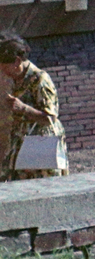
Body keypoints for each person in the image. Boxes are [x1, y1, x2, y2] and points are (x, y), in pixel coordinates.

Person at [0, 34, 65, 180]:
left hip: (42, 147)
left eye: (5, 68)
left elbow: (50, 118)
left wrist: (23, 108)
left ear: (17, 61)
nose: (4, 72)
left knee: (44, 189)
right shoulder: (18, 79)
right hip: (22, 144)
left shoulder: (40, 80)